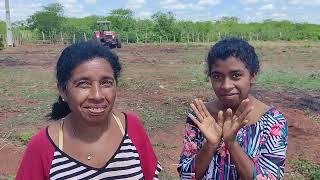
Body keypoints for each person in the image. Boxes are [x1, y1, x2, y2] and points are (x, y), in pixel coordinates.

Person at [16, 41, 161, 180]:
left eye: (106, 83)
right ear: (63, 91)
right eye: (83, 84)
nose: (97, 95)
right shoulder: (42, 146)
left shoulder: (132, 128)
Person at [178, 38, 288, 180]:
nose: (226, 85)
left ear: (252, 76)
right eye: (217, 76)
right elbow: (186, 176)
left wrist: (232, 143)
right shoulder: (200, 118)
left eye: (236, 75)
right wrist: (210, 145)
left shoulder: (273, 122)